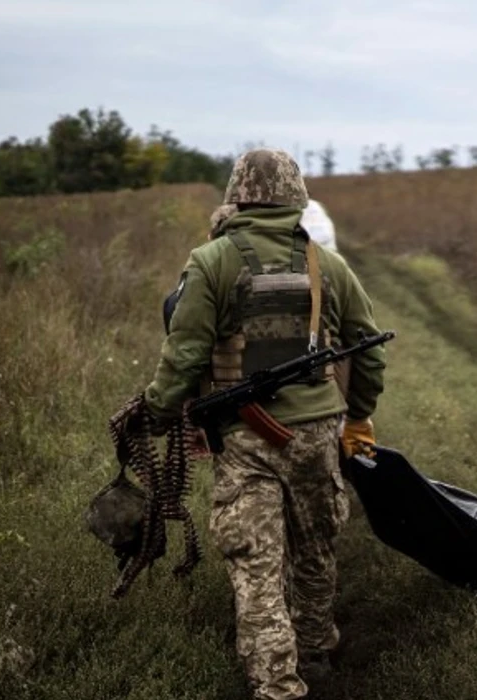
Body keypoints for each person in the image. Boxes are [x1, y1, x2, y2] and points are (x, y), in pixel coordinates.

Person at [143, 148, 387, 699]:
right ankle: (317, 650)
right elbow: (367, 355)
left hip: (244, 438)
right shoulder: (329, 264)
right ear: (296, 197)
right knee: (315, 548)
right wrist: (361, 413)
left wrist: (157, 412)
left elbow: (183, 356)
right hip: (319, 434)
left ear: (237, 196)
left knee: (255, 561)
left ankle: (277, 683)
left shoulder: (211, 261)